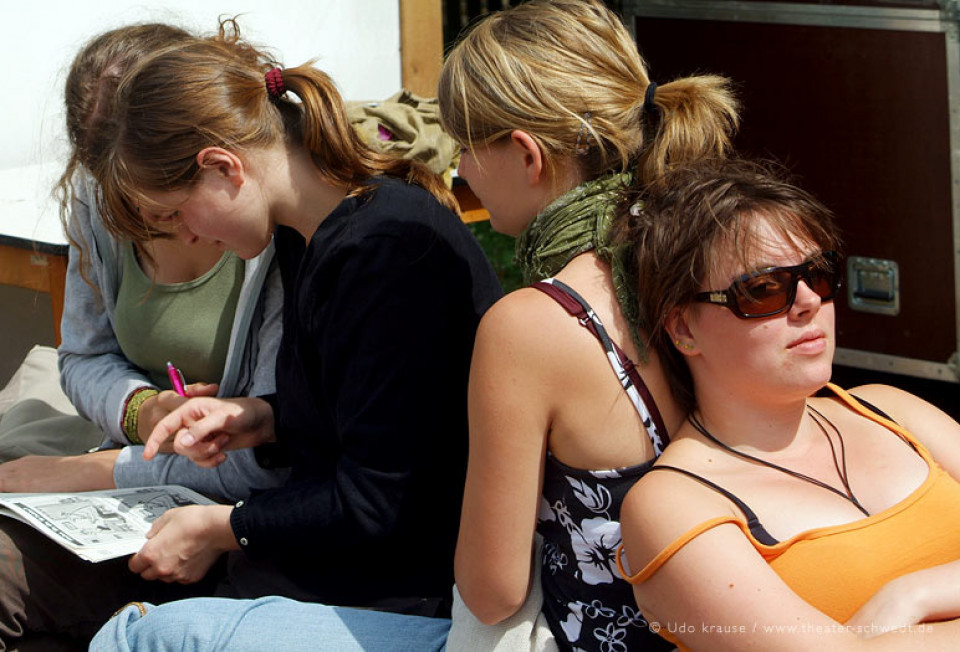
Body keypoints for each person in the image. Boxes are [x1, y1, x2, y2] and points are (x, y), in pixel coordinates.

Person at [0, 20, 501, 649]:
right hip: (309, 560)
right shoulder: (303, 234)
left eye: (177, 213)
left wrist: (222, 528)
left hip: (394, 591)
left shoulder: (385, 254)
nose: (184, 236)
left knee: (135, 639)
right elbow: (359, 414)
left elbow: (382, 499)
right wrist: (262, 418)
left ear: (224, 168)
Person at [435, 1, 738, 648]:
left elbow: (492, 592)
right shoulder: (713, 254)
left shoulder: (531, 325)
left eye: (464, 146)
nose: (460, 171)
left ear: (525, 154)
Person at [614, 158, 960, 649]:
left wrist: (913, 594)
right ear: (684, 328)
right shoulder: (672, 505)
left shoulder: (889, 409)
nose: (808, 302)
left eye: (819, 275)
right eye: (762, 289)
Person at [0, 23, 287, 503]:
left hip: (213, 497)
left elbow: (263, 462)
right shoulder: (98, 196)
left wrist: (97, 470)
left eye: (160, 205)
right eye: (114, 192)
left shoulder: (269, 231)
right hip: (139, 469)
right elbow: (84, 355)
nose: (133, 215)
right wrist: (144, 410)